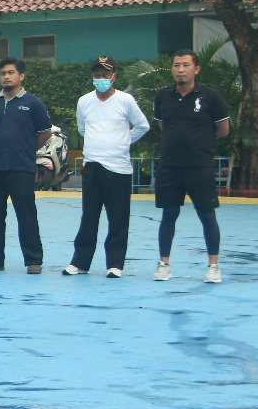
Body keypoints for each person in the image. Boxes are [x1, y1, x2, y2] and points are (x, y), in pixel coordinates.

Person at [63, 56, 150, 278]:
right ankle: (80, 262)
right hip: (92, 165)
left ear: (114, 77)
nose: (100, 79)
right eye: (97, 75)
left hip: (118, 168)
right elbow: (83, 130)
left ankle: (115, 264)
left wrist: (124, 140)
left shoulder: (125, 100)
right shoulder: (84, 101)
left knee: (118, 217)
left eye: (105, 75)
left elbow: (142, 125)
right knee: (89, 216)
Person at [152, 49, 230, 283]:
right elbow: (163, 126)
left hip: (200, 167)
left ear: (196, 69)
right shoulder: (162, 96)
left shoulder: (211, 97)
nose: (180, 70)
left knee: (207, 216)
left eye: (185, 65)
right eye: (176, 65)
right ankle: (164, 264)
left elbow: (223, 130)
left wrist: (198, 143)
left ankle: (213, 266)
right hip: (170, 167)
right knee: (169, 216)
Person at [0, 58, 53, 274]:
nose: (6, 76)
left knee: (26, 215)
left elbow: (45, 132)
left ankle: (33, 260)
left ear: (21, 76)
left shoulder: (33, 103)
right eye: (3, 73)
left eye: (11, 72)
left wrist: (27, 149)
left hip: (21, 168)